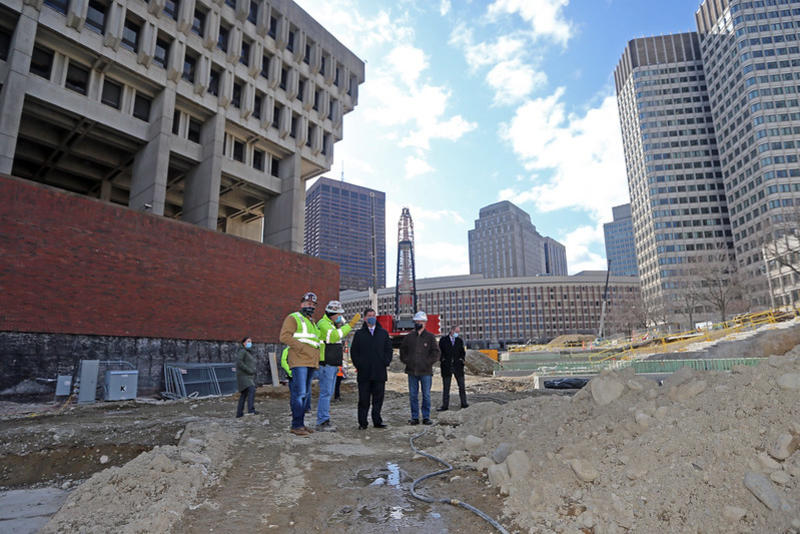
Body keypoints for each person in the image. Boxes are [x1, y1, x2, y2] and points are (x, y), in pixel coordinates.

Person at [279, 291, 322, 437]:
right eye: (308, 304)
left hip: (310, 361)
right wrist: (302, 348)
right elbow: (284, 337)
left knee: (305, 395)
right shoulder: (293, 318)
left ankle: (301, 424)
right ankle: (296, 425)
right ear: (301, 304)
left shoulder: (312, 322)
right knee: (300, 394)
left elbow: (315, 342)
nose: (310, 306)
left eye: (313, 305)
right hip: (299, 360)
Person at [315, 301, 361, 431]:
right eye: (339, 314)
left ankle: (324, 419)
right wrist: (350, 325)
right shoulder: (324, 324)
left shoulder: (330, 324)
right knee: (326, 393)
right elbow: (335, 337)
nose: (340, 316)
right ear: (332, 314)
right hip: (327, 363)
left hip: (332, 363)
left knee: (328, 393)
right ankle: (322, 421)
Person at [350, 308, 393, 430]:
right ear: (365, 318)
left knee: (378, 399)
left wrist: (385, 362)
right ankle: (362, 423)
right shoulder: (359, 334)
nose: (372, 317)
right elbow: (354, 352)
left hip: (379, 372)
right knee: (363, 399)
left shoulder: (383, 333)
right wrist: (359, 365)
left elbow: (388, 350)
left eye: (374, 315)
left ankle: (377, 421)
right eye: (369, 315)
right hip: (364, 373)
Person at [399, 311, 440, 425]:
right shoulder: (409, 337)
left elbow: (436, 353)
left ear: (425, 323)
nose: (418, 323)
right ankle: (415, 417)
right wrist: (407, 361)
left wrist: (427, 362)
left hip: (425, 372)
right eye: (417, 321)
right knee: (413, 395)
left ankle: (426, 417)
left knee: (426, 395)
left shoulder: (430, 337)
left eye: (420, 321)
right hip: (412, 371)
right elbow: (403, 351)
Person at [438, 325, 468, 411]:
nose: (457, 334)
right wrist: (442, 360)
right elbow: (440, 351)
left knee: (461, 386)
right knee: (446, 387)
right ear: (452, 331)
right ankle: (445, 406)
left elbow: (462, 352)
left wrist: (461, 360)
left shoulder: (459, 341)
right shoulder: (443, 340)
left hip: (458, 367)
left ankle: (464, 403)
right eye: (456, 332)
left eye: (458, 332)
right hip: (446, 367)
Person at [235, 336, 258, 418]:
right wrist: (249, 370)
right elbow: (239, 362)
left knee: (244, 394)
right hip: (244, 376)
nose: (250, 343)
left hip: (247, 376)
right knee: (252, 389)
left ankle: (239, 413)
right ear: (244, 343)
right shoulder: (242, 351)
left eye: (250, 342)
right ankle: (251, 410)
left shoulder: (247, 352)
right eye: (248, 341)